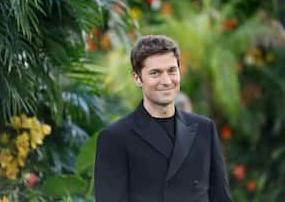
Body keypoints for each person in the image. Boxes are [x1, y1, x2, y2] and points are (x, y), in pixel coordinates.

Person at [94, 35, 233, 202]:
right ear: (138, 78)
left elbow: (221, 197)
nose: (166, 81)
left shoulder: (205, 129)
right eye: (155, 73)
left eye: (172, 70)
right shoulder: (115, 137)